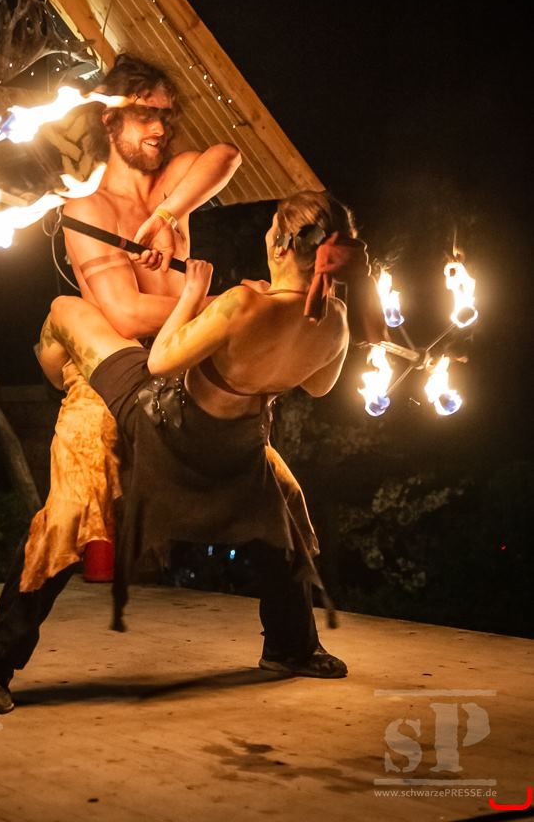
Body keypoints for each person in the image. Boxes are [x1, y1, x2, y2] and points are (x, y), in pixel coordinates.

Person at [0, 51, 242, 714]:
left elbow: (227, 154)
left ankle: (289, 641)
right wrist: (222, 306)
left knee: (267, 484)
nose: (160, 128)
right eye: (144, 114)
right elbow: (122, 313)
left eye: (166, 114)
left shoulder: (173, 183)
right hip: (106, 369)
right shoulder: (85, 206)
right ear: (110, 119)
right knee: (69, 512)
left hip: (180, 366)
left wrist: (168, 217)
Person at [44, 189, 386, 684]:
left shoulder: (241, 303)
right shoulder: (335, 322)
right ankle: (292, 647)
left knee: (64, 311)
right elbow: (318, 385)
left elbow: (159, 362)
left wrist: (192, 293)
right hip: (236, 443)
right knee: (285, 507)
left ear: (280, 245)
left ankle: (60, 372)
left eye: (271, 227)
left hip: (163, 422)